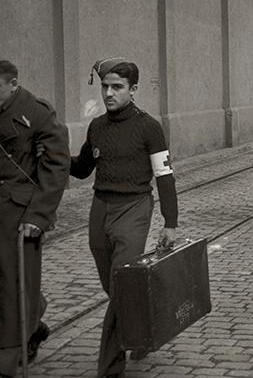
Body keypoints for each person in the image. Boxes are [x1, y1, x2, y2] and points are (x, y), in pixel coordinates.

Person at [70, 58, 178, 377]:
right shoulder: (97, 127)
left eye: (117, 87)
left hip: (134, 207)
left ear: (133, 89)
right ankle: (140, 327)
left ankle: (109, 367)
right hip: (100, 207)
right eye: (105, 86)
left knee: (120, 283)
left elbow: (165, 175)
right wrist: (56, 155)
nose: (108, 93)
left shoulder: (149, 127)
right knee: (115, 286)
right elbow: (82, 168)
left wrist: (170, 223)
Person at [0, 60, 69, 378]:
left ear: (12, 84)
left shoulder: (36, 111)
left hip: (20, 214)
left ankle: (8, 354)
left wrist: (39, 215)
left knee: (14, 283)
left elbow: (57, 165)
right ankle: (35, 321)